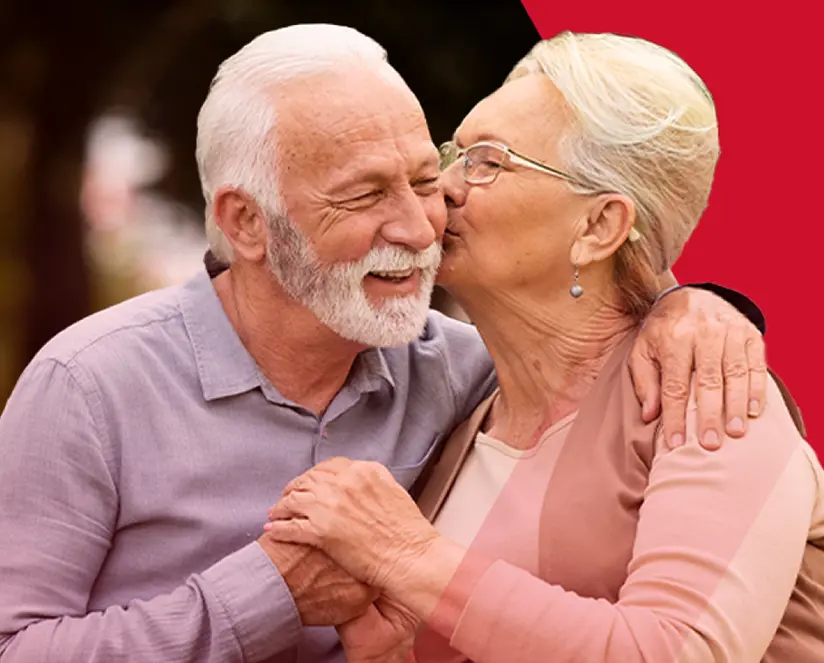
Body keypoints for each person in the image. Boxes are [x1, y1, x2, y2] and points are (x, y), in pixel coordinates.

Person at [0, 25, 768, 663]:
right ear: (245, 223)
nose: (419, 225)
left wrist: (690, 305)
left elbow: (593, 321)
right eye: (366, 194)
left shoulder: (466, 374)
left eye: (426, 179)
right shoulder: (88, 386)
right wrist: (266, 594)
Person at [264, 30, 824, 663]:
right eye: (456, 153)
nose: (442, 188)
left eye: (489, 163)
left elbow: (674, 652)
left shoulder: (711, 396)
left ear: (598, 226)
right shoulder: (466, 404)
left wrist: (404, 555)